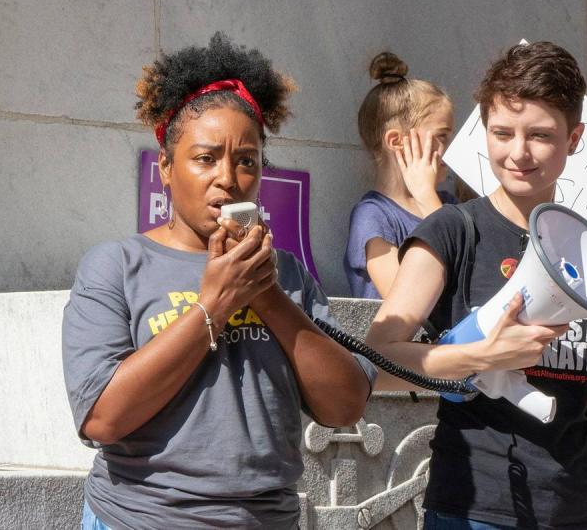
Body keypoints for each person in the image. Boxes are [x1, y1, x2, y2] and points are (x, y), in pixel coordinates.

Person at [62, 33, 376, 529]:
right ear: (166, 167)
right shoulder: (116, 266)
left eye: (246, 160)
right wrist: (214, 305)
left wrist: (266, 292)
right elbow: (102, 417)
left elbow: (344, 407)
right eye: (205, 158)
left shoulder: (285, 273)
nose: (228, 178)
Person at [366, 42, 587, 529]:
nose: (518, 153)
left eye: (540, 135)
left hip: (585, 512)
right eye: (502, 133)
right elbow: (378, 359)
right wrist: (482, 356)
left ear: (574, 137)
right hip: (476, 509)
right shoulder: (452, 231)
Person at [344, 52, 457, 299]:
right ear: (396, 141)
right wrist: (426, 195)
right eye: (441, 137)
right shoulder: (373, 215)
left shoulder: (449, 205)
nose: (450, 149)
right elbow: (407, 302)